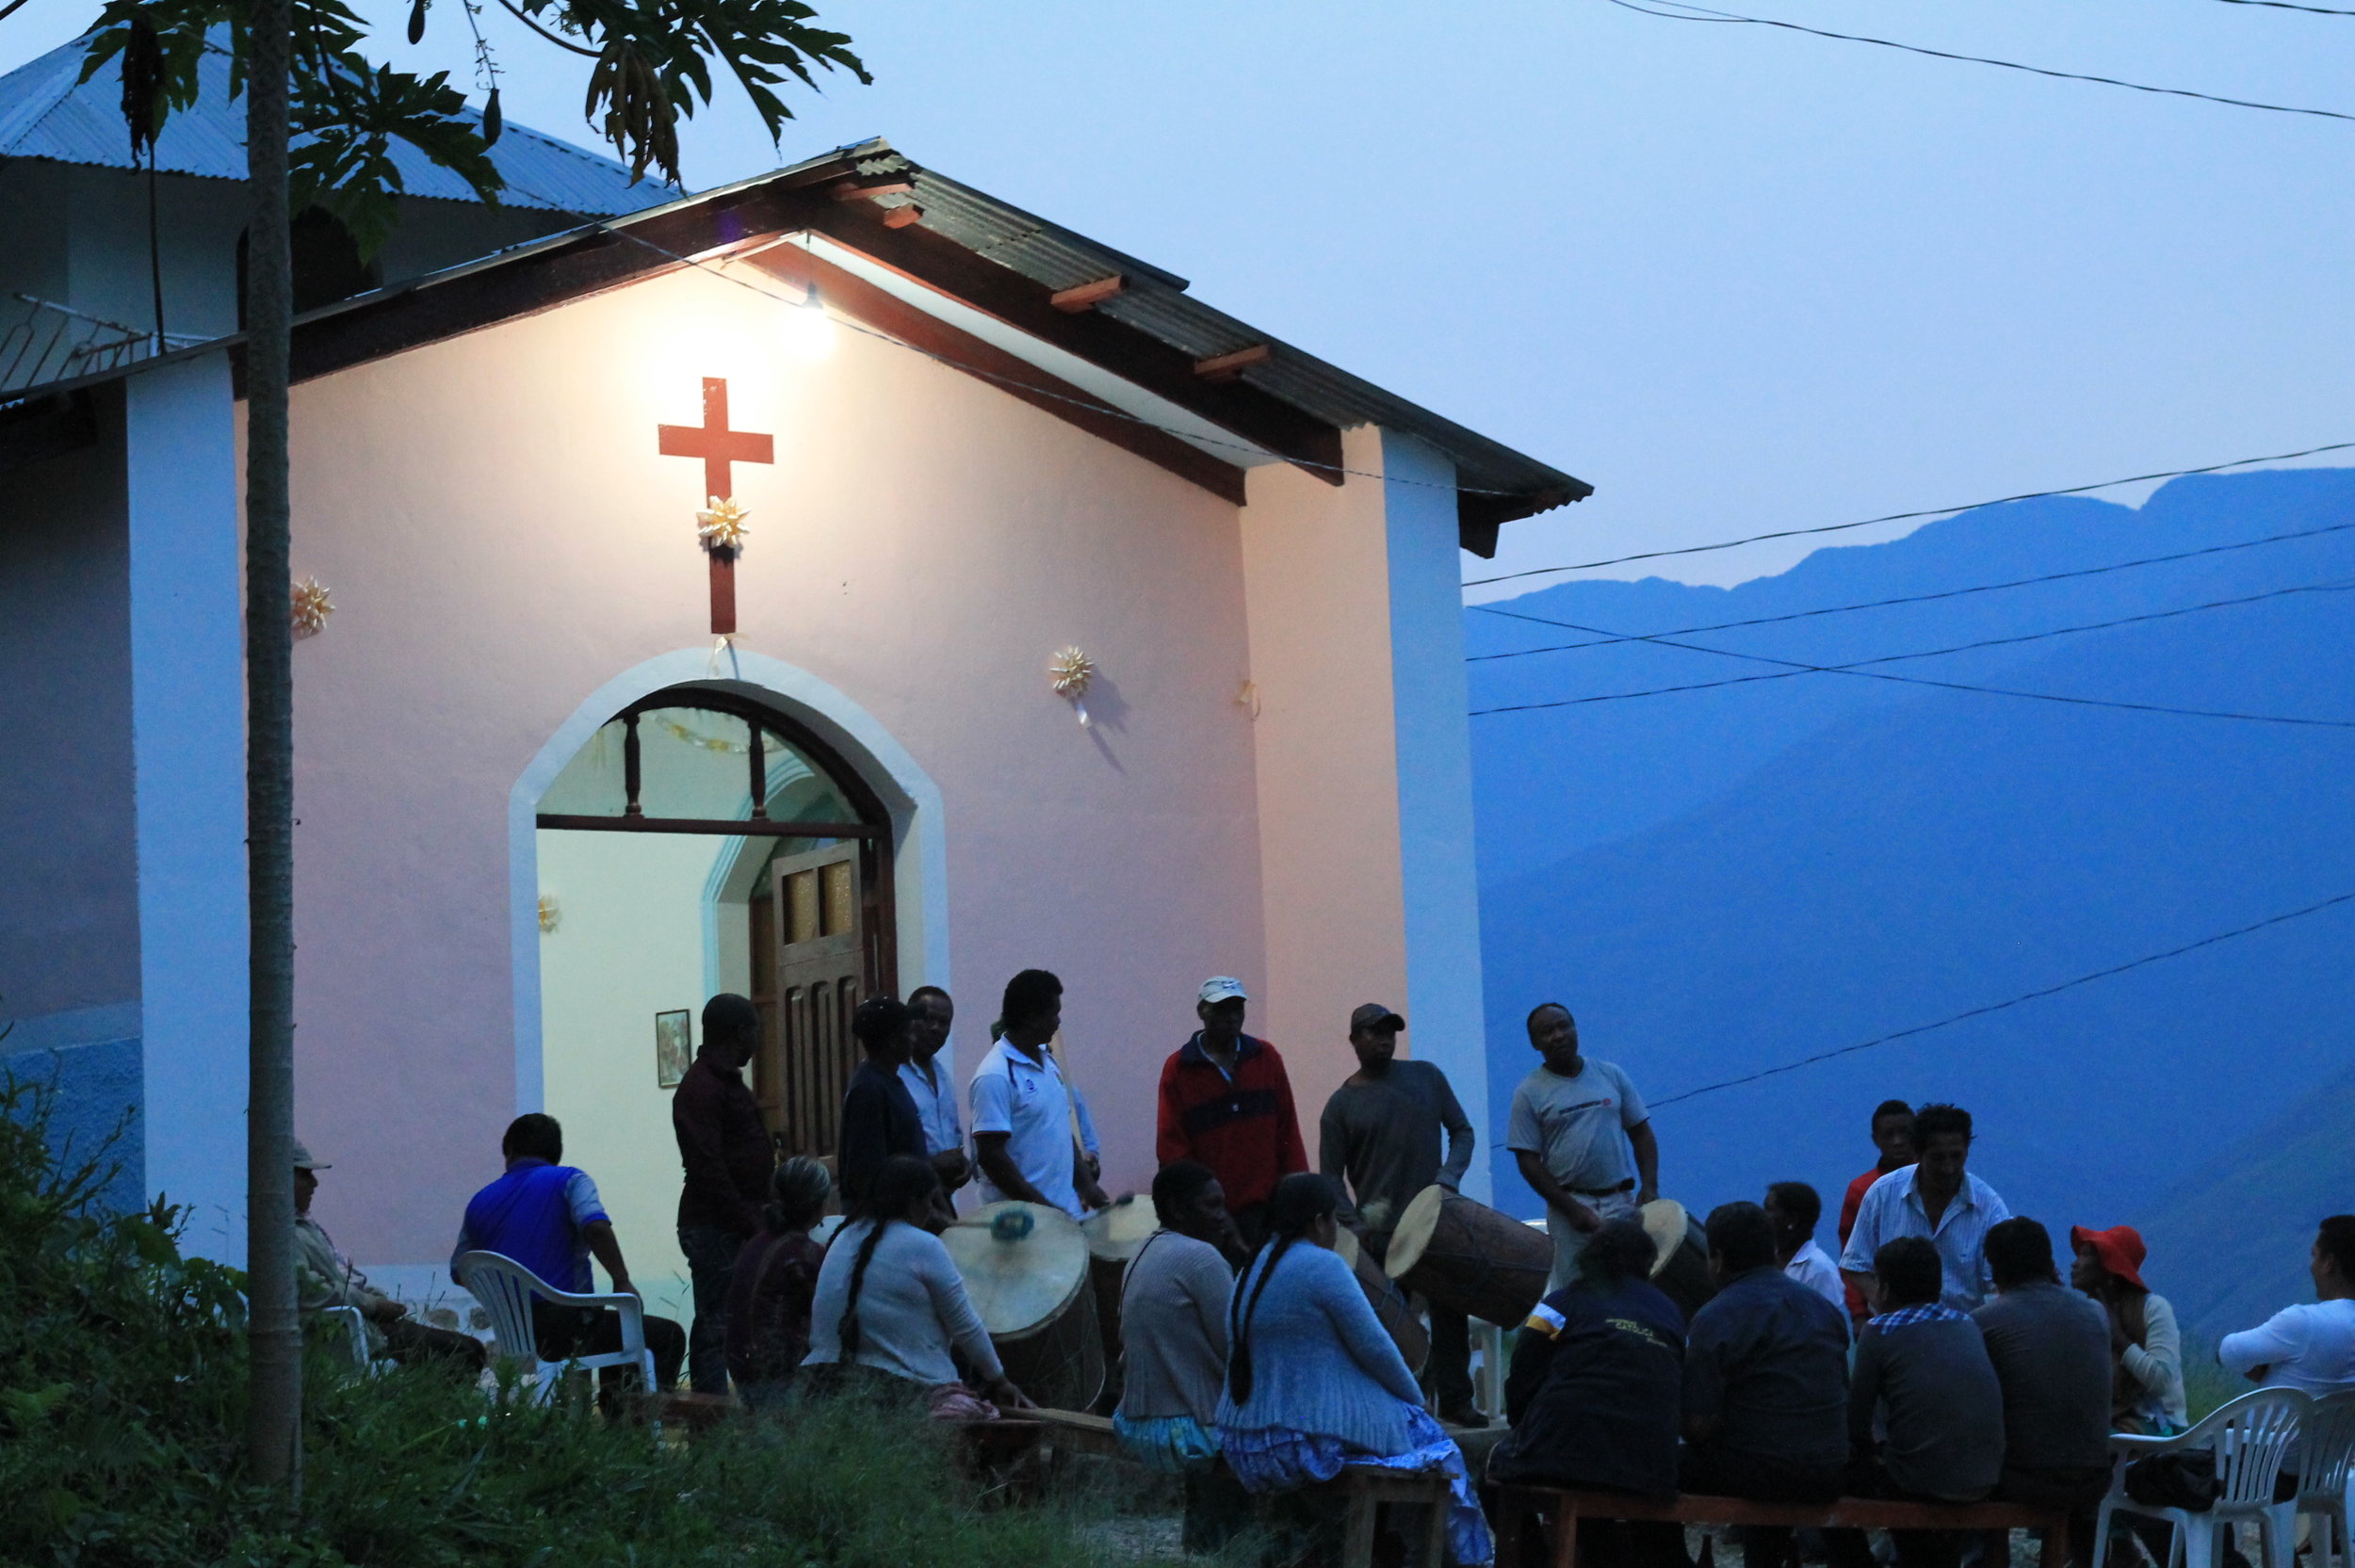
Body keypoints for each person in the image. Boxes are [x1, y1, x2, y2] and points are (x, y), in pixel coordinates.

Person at [1216, 1172, 1493, 1567]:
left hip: (1244, 1441)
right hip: (1299, 1443)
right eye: (1334, 1220)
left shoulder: (1250, 1270)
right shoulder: (1322, 1265)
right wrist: (1416, 1401)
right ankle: (1458, 1560)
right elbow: (1376, 1348)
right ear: (1318, 1222)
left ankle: (1382, 1549)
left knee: (1400, 1437)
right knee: (1437, 1447)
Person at [1318, 1001, 1483, 1425]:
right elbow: (1331, 1179)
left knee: (1451, 1314)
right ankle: (1396, 1409)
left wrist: (1448, 1178)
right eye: (1373, 1031)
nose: (1384, 1039)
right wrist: (1355, 1227)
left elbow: (1462, 1131)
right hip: (1381, 1236)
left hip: (1434, 1222)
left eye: (1389, 1031)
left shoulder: (1426, 1076)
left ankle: (1457, 1401)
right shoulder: (1340, 1105)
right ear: (1354, 1040)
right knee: (1390, 1326)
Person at [454, 1112, 687, 1391]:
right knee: (665, 1335)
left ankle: (611, 1419)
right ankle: (632, 1423)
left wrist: (507, 1302)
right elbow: (597, 1228)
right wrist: (621, 1280)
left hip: (515, 1334)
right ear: (557, 1151)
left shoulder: (480, 1201)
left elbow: (460, 1270)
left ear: (510, 1150)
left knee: (613, 1328)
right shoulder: (570, 1180)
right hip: (568, 1329)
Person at [1682, 1202, 1850, 1568]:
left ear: (1719, 1259)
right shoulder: (1823, 1309)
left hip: (1760, 1473)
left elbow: (1699, 1424)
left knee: (1648, 1470)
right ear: (1772, 1250)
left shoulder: (1715, 1316)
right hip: (1829, 1470)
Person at [803, 1154, 1029, 1414]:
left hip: (823, 1380)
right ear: (913, 1202)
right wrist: (1000, 1380)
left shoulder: (843, 1236)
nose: (932, 1211)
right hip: (897, 1388)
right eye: (930, 1202)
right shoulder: (924, 1245)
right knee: (983, 1412)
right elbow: (965, 1326)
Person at [1830, 1237, 2006, 1568]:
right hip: (1984, 1478)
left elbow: (1856, 1423)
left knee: (1830, 1482)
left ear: (1885, 1289)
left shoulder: (1879, 1330)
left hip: (1922, 1481)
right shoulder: (1966, 1323)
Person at [1490, 1218, 1686, 1504]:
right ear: (1648, 1261)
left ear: (1590, 1256)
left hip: (1562, 1456)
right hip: (1653, 1468)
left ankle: (1534, 1550)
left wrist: (1526, 1429)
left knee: (1492, 1475)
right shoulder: (1672, 1314)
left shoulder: (1557, 1305)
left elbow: (1523, 1374)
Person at [1115, 1160, 1248, 1556]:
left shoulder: (1142, 1252)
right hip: (1187, 1430)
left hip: (1138, 1422)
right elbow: (1237, 1352)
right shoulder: (1202, 1259)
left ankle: (1204, 1546)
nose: (1223, 1216)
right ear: (1178, 1209)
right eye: (1212, 1205)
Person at [1975, 1218, 2114, 1562]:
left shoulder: (1984, 1321)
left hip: (2026, 1481)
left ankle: (1990, 1559)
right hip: (2096, 1477)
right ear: (2049, 1262)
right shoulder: (2095, 1313)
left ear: (1995, 1271)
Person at [1505, 1002, 1659, 1294]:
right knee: (1577, 1292)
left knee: (1630, 1287)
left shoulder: (1610, 1075)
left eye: (1564, 1026)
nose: (1559, 1035)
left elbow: (1641, 1132)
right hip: (1571, 1210)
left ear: (1575, 1029)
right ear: (1535, 1043)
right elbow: (1528, 1161)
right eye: (1547, 1031)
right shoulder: (1529, 1092)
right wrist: (1572, 1209)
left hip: (1621, 1204)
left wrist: (1649, 1187)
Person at [295, 1139, 486, 1373]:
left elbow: (344, 1277)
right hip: (351, 1330)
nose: (314, 1183)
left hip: (368, 1320)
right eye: (305, 1175)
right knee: (462, 1352)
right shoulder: (286, 1233)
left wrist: (376, 1298)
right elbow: (311, 1291)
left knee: (469, 1349)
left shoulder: (305, 1226)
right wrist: (372, 1304)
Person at [1156, 977, 1308, 1248]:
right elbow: (1174, 1152)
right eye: (1222, 1009)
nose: (1232, 1017)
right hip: (1210, 1220)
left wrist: (1298, 1199)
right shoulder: (1178, 1070)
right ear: (1202, 1012)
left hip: (1268, 1210)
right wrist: (1215, 1214)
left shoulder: (1266, 1057)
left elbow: (1288, 1134)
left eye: (1237, 1009)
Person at [672, 993, 773, 1395]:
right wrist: (747, 1220)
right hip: (717, 1226)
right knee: (715, 1322)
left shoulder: (725, 1082)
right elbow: (707, 1167)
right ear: (738, 1033)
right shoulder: (701, 1087)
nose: (758, 1042)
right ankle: (708, 1418)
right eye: (755, 1032)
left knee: (738, 1319)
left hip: (732, 1222)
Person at [1841, 1103, 2010, 1314]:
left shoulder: (1989, 1206)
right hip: (1895, 1331)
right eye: (1937, 1158)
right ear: (1918, 1154)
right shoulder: (1882, 1194)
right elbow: (1855, 1264)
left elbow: (2000, 1285)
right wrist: (1885, 1305)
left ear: (1967, 1150)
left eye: (1956, 1156)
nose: (1948, 1168)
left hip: (1961, 1333)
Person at [970, 969, 1108, 1216]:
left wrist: (1086, 1185)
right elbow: (991, 1157)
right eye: (1054, 1014)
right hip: (1023, 1226)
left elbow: (1063, 1131)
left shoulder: (1049, 1063)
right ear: (1032, 1017)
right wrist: (1043, 1210)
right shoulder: (995, 1074)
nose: (1058, 1022)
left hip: (1064, 1216)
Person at [722, 1156, 833, 1409]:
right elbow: (835, 1318)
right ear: (820, 1204)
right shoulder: (805, 1253)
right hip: (777, 1379)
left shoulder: (756, 1243)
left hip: (742, 1370)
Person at [2217, 1214, 2355, 1397]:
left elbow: (2227, 1352)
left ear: (2328, 1263)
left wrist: (2259, 1365)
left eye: (2315, 1256)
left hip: (2275, 1426)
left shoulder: (2304, 1323)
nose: (2312, 1266)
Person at [2070, 1224, 2187, 1435]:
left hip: (2159, 1425)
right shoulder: (2087, 1313)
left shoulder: (2154, 1308)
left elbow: (2162, 1381)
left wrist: (2118, 1338)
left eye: (2086, 1255)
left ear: (2109, 1269)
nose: (2075, 1263)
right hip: (2110, 1422)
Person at [838, 994, 923, 1216]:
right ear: (892, 1040)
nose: (913, 1040)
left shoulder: (888, 1081)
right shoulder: (869, 1090)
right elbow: (865, 1174)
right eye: (908, 1033)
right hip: (883, 1222)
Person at [1841, 1100, 1918, 1320]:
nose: (1898, 1142)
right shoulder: (1860, 1190)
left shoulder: (1935, 1179)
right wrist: (1858, 1313)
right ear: (1876, 1139)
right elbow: (1850, 1257)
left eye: (1905, 1133)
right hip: (1882, 1310)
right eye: (1889, 1135)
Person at [899, 985, 971, 1202]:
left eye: (944, 1022)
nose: (936, 1028)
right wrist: (932, 1164)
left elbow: (952, 1134)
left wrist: (961, 1163)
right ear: (908, 1020)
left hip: (941, 1197)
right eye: (929, 1019)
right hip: (904, 1200)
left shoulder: (943, 1076)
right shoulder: (893, 1075)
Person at [1767, 1180, 1847, 1322]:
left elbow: (1827, 1324)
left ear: (1792, 1219)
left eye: (1770, 1210)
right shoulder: (1766, 1260)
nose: (1764, 1216)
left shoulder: (1821, 1269)